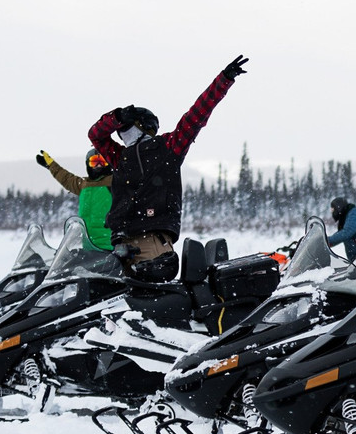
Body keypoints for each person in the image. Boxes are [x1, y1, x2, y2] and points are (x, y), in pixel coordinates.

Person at [88, 54, 248, 282]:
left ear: (142, 126)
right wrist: (116, 117)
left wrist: (224, 79)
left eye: (126, 126)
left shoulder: (168, 148)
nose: (121, 132)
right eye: (120, 128)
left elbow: (197, 115)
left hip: (152, 244)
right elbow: (95, 134)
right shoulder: (120, 157)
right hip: (119, 246)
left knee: (149, 306)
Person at [35, 148, 114, 250]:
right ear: (88, 165)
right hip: (87, 245)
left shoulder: (114, 182)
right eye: (94, 162)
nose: (99, 166)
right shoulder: (84, 185)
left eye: (102, 162)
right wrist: (51, 165)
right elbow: (66, 178)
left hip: (110, 245)